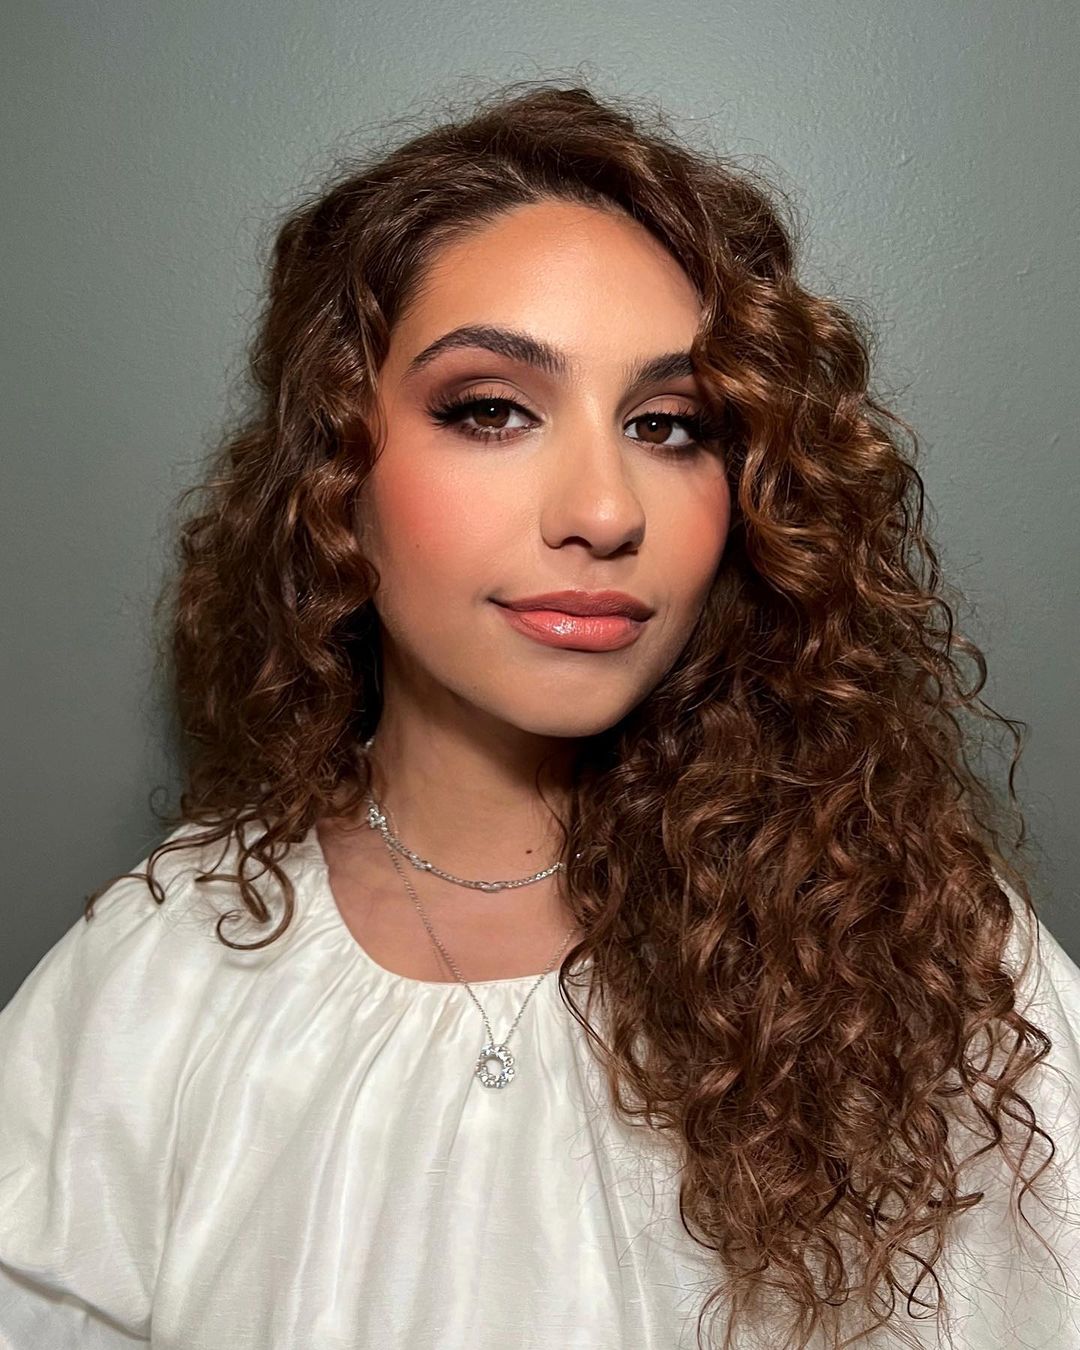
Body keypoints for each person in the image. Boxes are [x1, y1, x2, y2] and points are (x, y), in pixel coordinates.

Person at [1, 80, 1077, 1350]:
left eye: (669, 426)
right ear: (334, 476)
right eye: (492, 410)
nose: (605, 510)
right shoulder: (159, 980)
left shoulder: (911, 950)